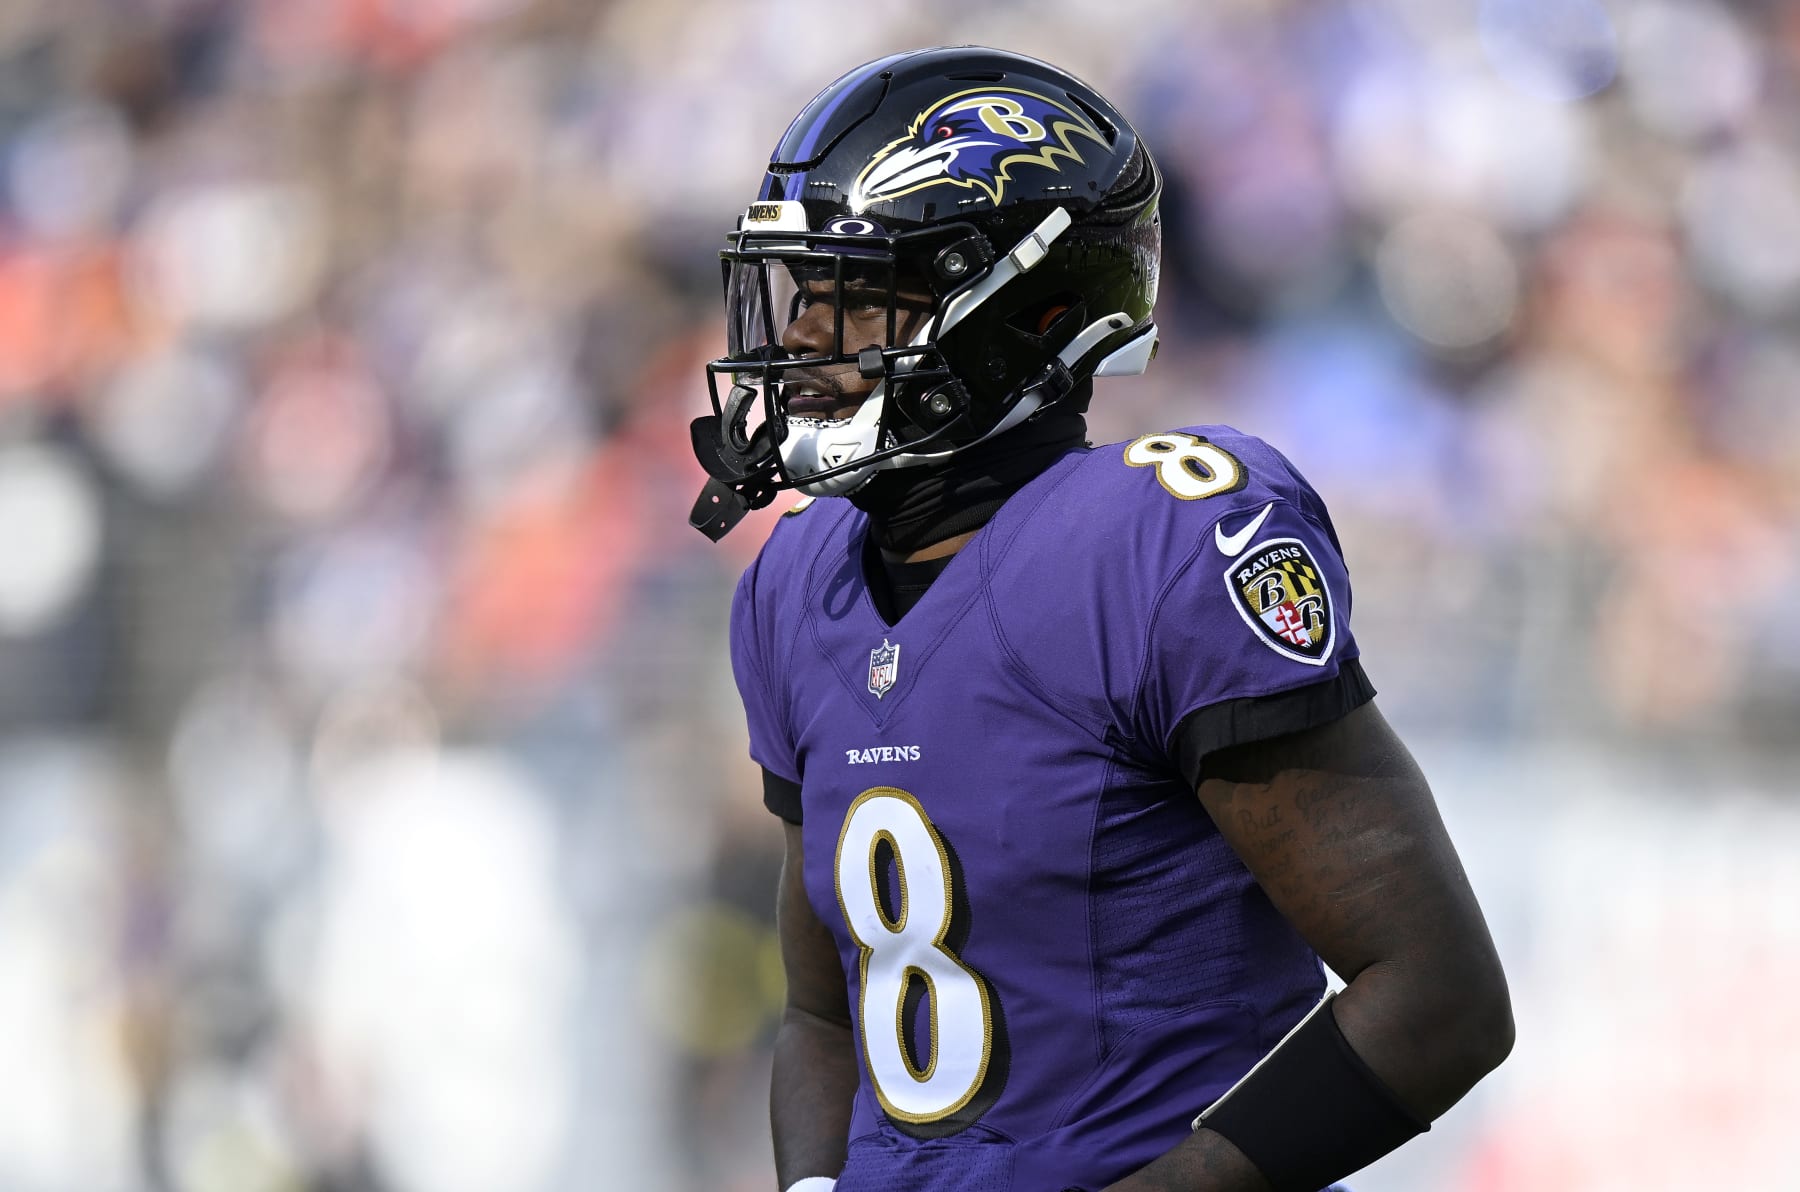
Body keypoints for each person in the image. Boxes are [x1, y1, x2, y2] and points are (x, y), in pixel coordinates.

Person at [690, 46, 1513, 1192]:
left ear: (1020, 310)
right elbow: (827, 1016)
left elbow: (1439, 996)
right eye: (807, 288)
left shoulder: (1155, 540)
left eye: (863, 292)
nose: (812, 334)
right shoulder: (799, 579)